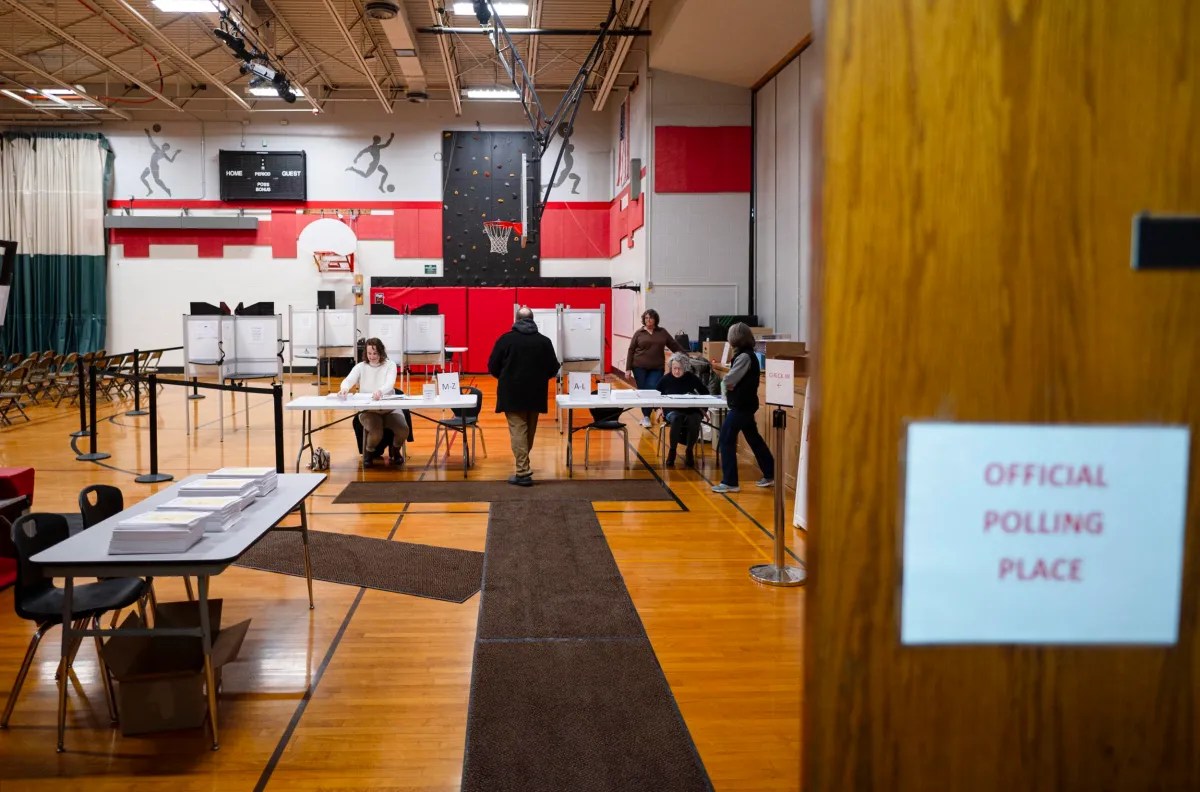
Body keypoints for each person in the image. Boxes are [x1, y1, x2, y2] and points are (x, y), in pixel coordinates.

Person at [488, 306, 560, 486]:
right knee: (529, 430)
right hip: (535, 392)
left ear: (516, 319)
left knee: (518, 430)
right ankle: (524, 465)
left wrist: (506, 377)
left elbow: (492, 366)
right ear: (533, 319)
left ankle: (523, 472)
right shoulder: (544, 341)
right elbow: (553, 368)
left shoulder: (506, 340)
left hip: (511, 392)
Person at [712, 322, 774, 493]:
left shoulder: (745, 357)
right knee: (753, 438)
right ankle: (770, 472)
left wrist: (729, 385)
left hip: (741, 406)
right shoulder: (745, 355)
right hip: (745, 404)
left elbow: (729, 380)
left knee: (726, 438)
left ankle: (730, 481)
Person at [336, 337, 408, 466]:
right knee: (376, 432)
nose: (372, 356)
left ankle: (395, 449)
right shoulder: (361, 367)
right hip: (369, 411)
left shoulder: (390, 365)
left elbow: (389, 383)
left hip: (389, 408)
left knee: (403, 429)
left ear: (381, 352)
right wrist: (344, 388)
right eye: (369, 353)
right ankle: (368, 452)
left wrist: (380, 391)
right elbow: (349, 380)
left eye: (375, 353)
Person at [625, 308, 683, 428]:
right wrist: (628, 368)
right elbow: (631, 350)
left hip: (657, 367)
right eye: (646, 318)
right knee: (643, 390)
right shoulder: (639, 333)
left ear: (655, 319)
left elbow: (673, 344)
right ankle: (646, 416)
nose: (648, 320)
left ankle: (656, 409)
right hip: (639, 367)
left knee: (652, 387)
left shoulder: (662, 332)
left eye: (650, 318)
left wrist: (685, 356)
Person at [657, 352, 708, 467]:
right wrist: (658, 409)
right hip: (671, 410)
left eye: (679, 369)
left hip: (691, 409)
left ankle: (689, 450)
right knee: (677, 418)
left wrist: (703, 409)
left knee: (694, 419)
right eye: (674, 368)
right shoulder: (666, 379)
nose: (676, 371)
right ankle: (672, 450)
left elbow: (706, 394)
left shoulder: (691, 378)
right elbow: (655, 395)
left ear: (685, 368)